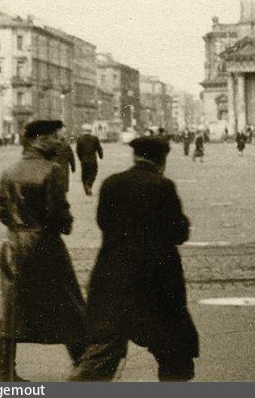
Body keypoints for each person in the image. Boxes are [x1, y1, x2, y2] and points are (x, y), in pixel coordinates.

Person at [70, 136, 199, 382]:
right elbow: (179, 232)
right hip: (156, 282)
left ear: (136, 156)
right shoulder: (163, 186)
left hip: (112, 277)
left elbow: (103, 222)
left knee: (102, 353)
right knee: (175, 354)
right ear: (162, 159)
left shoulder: (111, 183)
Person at [0, 119, 87, 382]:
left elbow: (2, 211)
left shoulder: (10, 170)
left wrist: (18, 227)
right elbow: (58, 213)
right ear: (39, 139)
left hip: (14, 244)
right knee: (69, 303)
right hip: (44, 245)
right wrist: (65, 224)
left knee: (11, 310)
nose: (60, 141)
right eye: (55, 137)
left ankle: (6, 373)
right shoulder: (51, 170)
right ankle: (83, 365)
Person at [76, 125, 104, 196]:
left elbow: (78, 151)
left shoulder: (80, 139)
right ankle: (89, 185)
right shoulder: (95, 138)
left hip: (84, 160)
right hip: (92, 160)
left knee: (84, 174)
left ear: (83, 130)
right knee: (93, 173)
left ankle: (86, 186)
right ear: (90, 131)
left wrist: (81, 158)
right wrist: (101, 156)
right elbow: (99, 148)